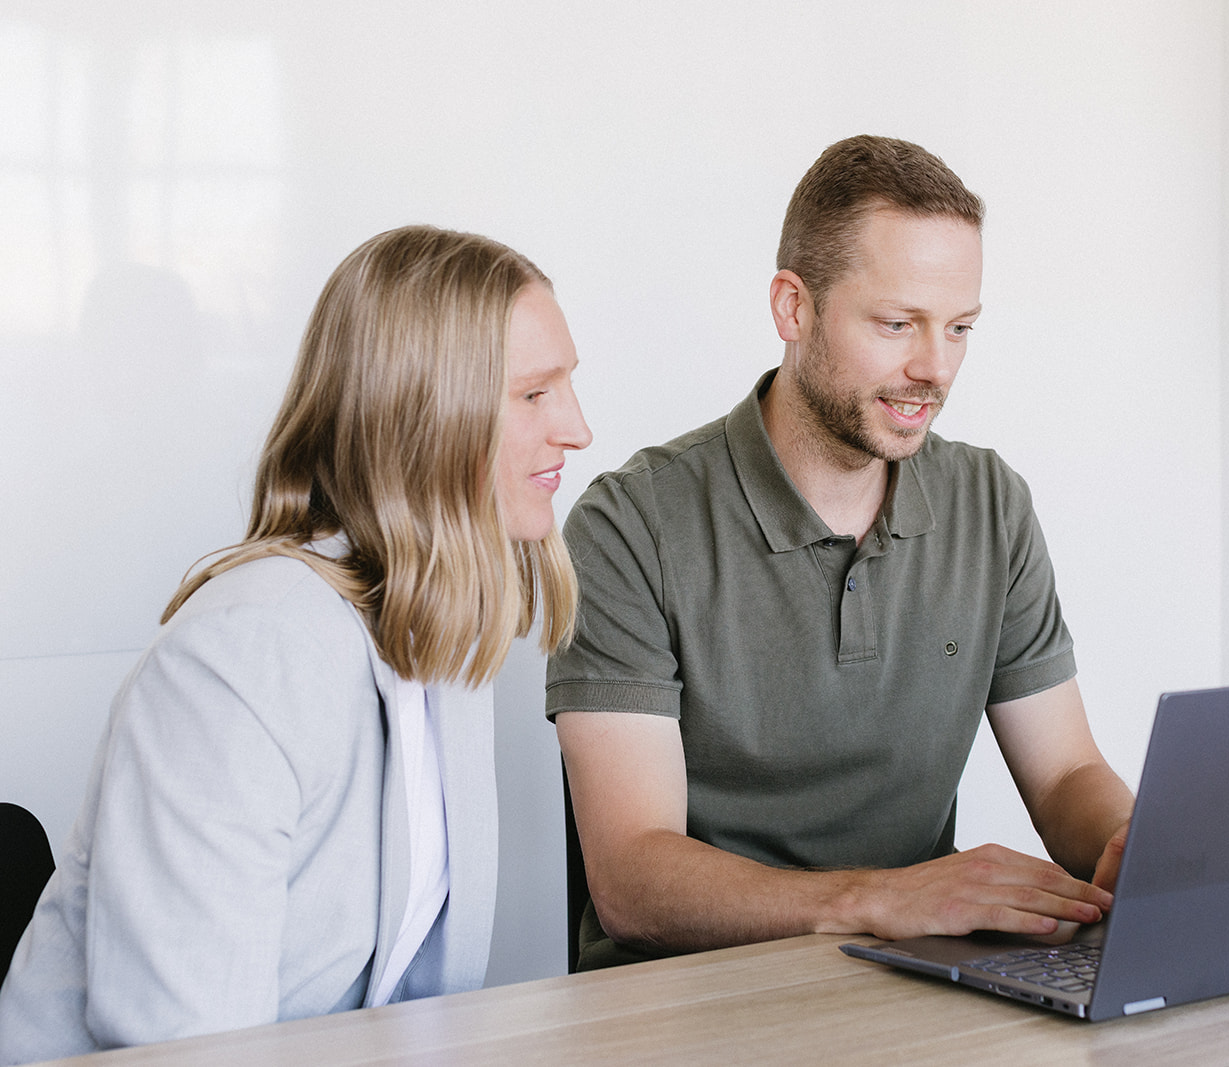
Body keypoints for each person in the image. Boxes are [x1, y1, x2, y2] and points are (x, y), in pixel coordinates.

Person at [0, 225, 591, 1060]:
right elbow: (189, 1049)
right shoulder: (243, 660)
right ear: (424, 417)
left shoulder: (441, 634)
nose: (578, 428)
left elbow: (420, 1008)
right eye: (536, 394)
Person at [547, 135, 1134, 971]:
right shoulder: (630, 525)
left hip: (911, 993)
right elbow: (632, 880)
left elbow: (1068, 770)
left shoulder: (990, 504)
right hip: (687, 1014)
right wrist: (881, 899)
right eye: (898, 324)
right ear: (794, 307)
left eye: (959, 328)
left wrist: (1135, 842)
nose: (934, 367)